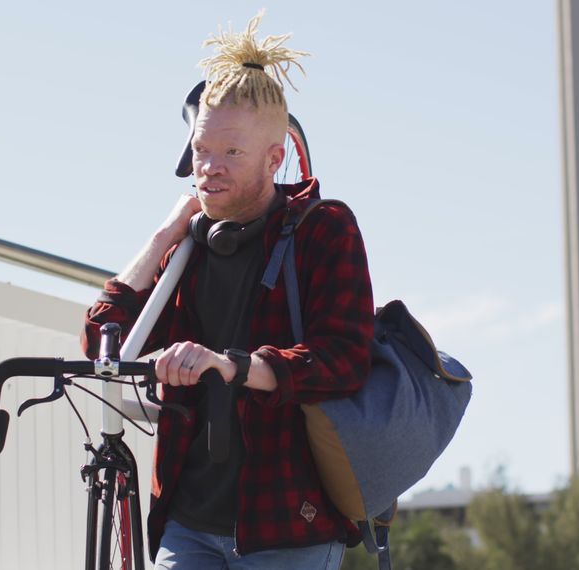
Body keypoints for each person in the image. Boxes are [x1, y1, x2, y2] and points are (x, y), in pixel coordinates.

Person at [81, 12, 374, 569]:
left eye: (231, 153)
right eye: (200, 151)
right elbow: (105, 345)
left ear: (274, 157)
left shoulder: (323, 228)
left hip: (290, 527)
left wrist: (232, 365)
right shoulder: (188, 244)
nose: (209, 169)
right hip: (188, 525)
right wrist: (164, 233)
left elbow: (342, 361)